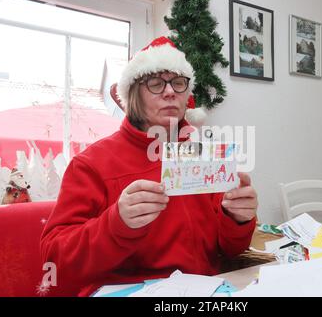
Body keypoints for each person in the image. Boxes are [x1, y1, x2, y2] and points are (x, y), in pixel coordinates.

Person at [40, 36, 258, 297]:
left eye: (178, 83)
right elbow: (55, 261)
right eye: (155, 83)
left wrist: (238, 219)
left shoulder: (204, 157)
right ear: (133, 95)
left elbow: (230, 249)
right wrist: (115, 224)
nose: (170, 92)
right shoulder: (91, 165)